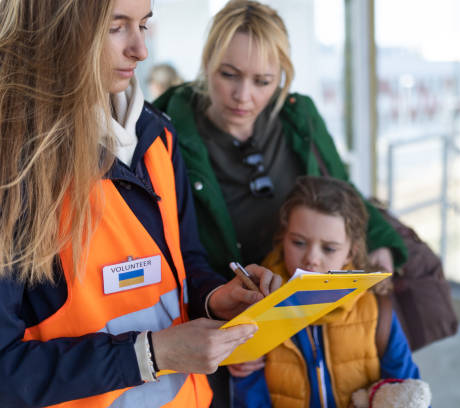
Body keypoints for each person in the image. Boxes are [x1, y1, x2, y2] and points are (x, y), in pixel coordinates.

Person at [0, 1, 280, 407]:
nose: (140, 50)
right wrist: (150, 355)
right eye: (116, 28)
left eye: (144, 26)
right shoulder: (16, 165)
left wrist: (215, 297)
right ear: (55, 30)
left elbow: (186, 264)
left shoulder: (158, 136)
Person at [153, 1, 409, 404]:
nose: (243, 96)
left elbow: (341, 191)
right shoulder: (168, 120)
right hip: (222, 316)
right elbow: (168, 240)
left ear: (283, 77)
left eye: (263, 81)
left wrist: (378, 247)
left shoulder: (298, 116)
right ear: (207, 62)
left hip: (303, 307)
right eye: (228, 75)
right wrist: (222, 317)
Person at [231, 176, 422, 408]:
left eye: (329, 248)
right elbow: (250, 396)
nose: (312, 259)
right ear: (283, 238)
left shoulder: (375, 310)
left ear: (351, 253)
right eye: (299, 242)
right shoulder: (256, 306)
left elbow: (407, 391)